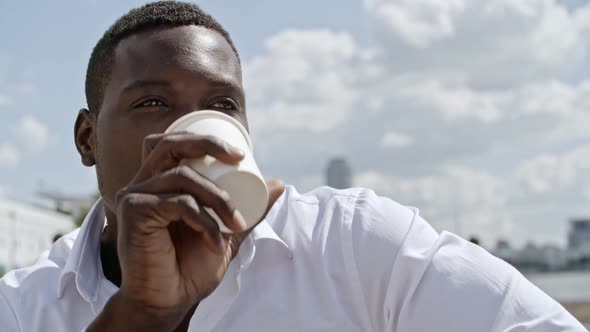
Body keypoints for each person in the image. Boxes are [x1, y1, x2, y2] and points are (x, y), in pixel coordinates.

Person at [0, 1, 585, 331]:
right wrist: (140, 317)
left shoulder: (353, 244)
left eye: (222, 106)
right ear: (86, 139)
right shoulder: (24, 307)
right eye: (153, 103)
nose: (187, 131)